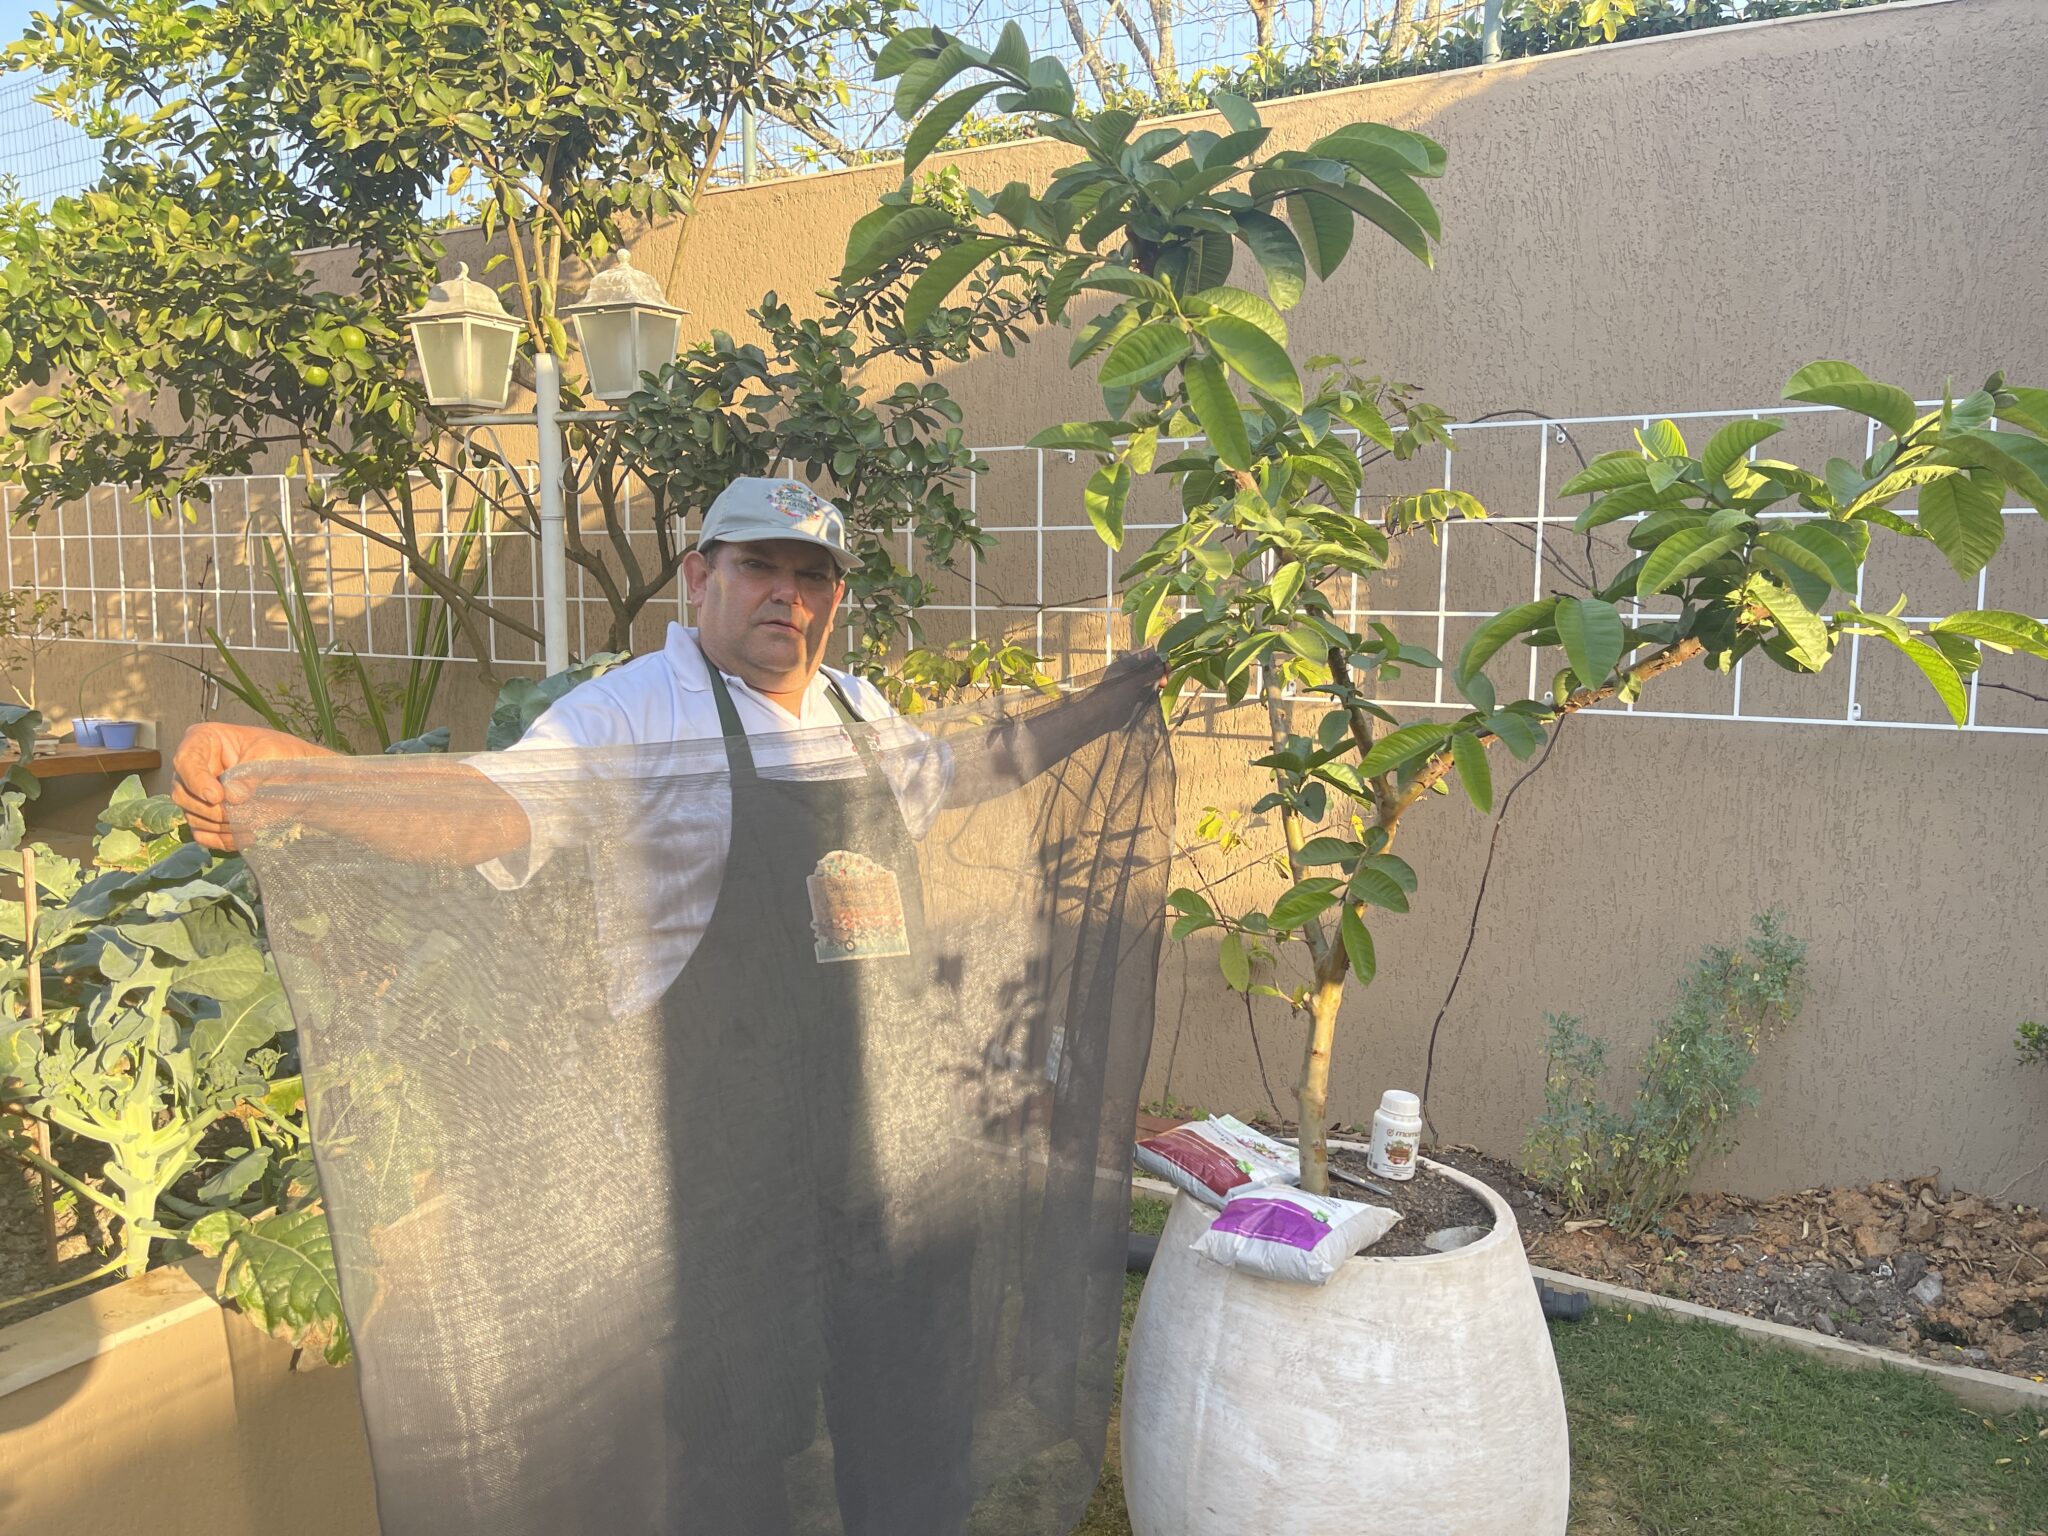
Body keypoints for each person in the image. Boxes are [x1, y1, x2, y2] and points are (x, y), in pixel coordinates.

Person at [172, 475, 1164, 1535]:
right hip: (717, 1171)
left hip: (878, 1144)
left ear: (834, 598)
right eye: (757, 568)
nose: (786, 596)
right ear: (700, 578)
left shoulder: (855, 710)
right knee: (724, 1444)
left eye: (811, 576)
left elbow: (957, 771)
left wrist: (1104, 702)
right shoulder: (634, 712)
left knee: (904, 1410)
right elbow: (485, 813)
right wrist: (299, 781)